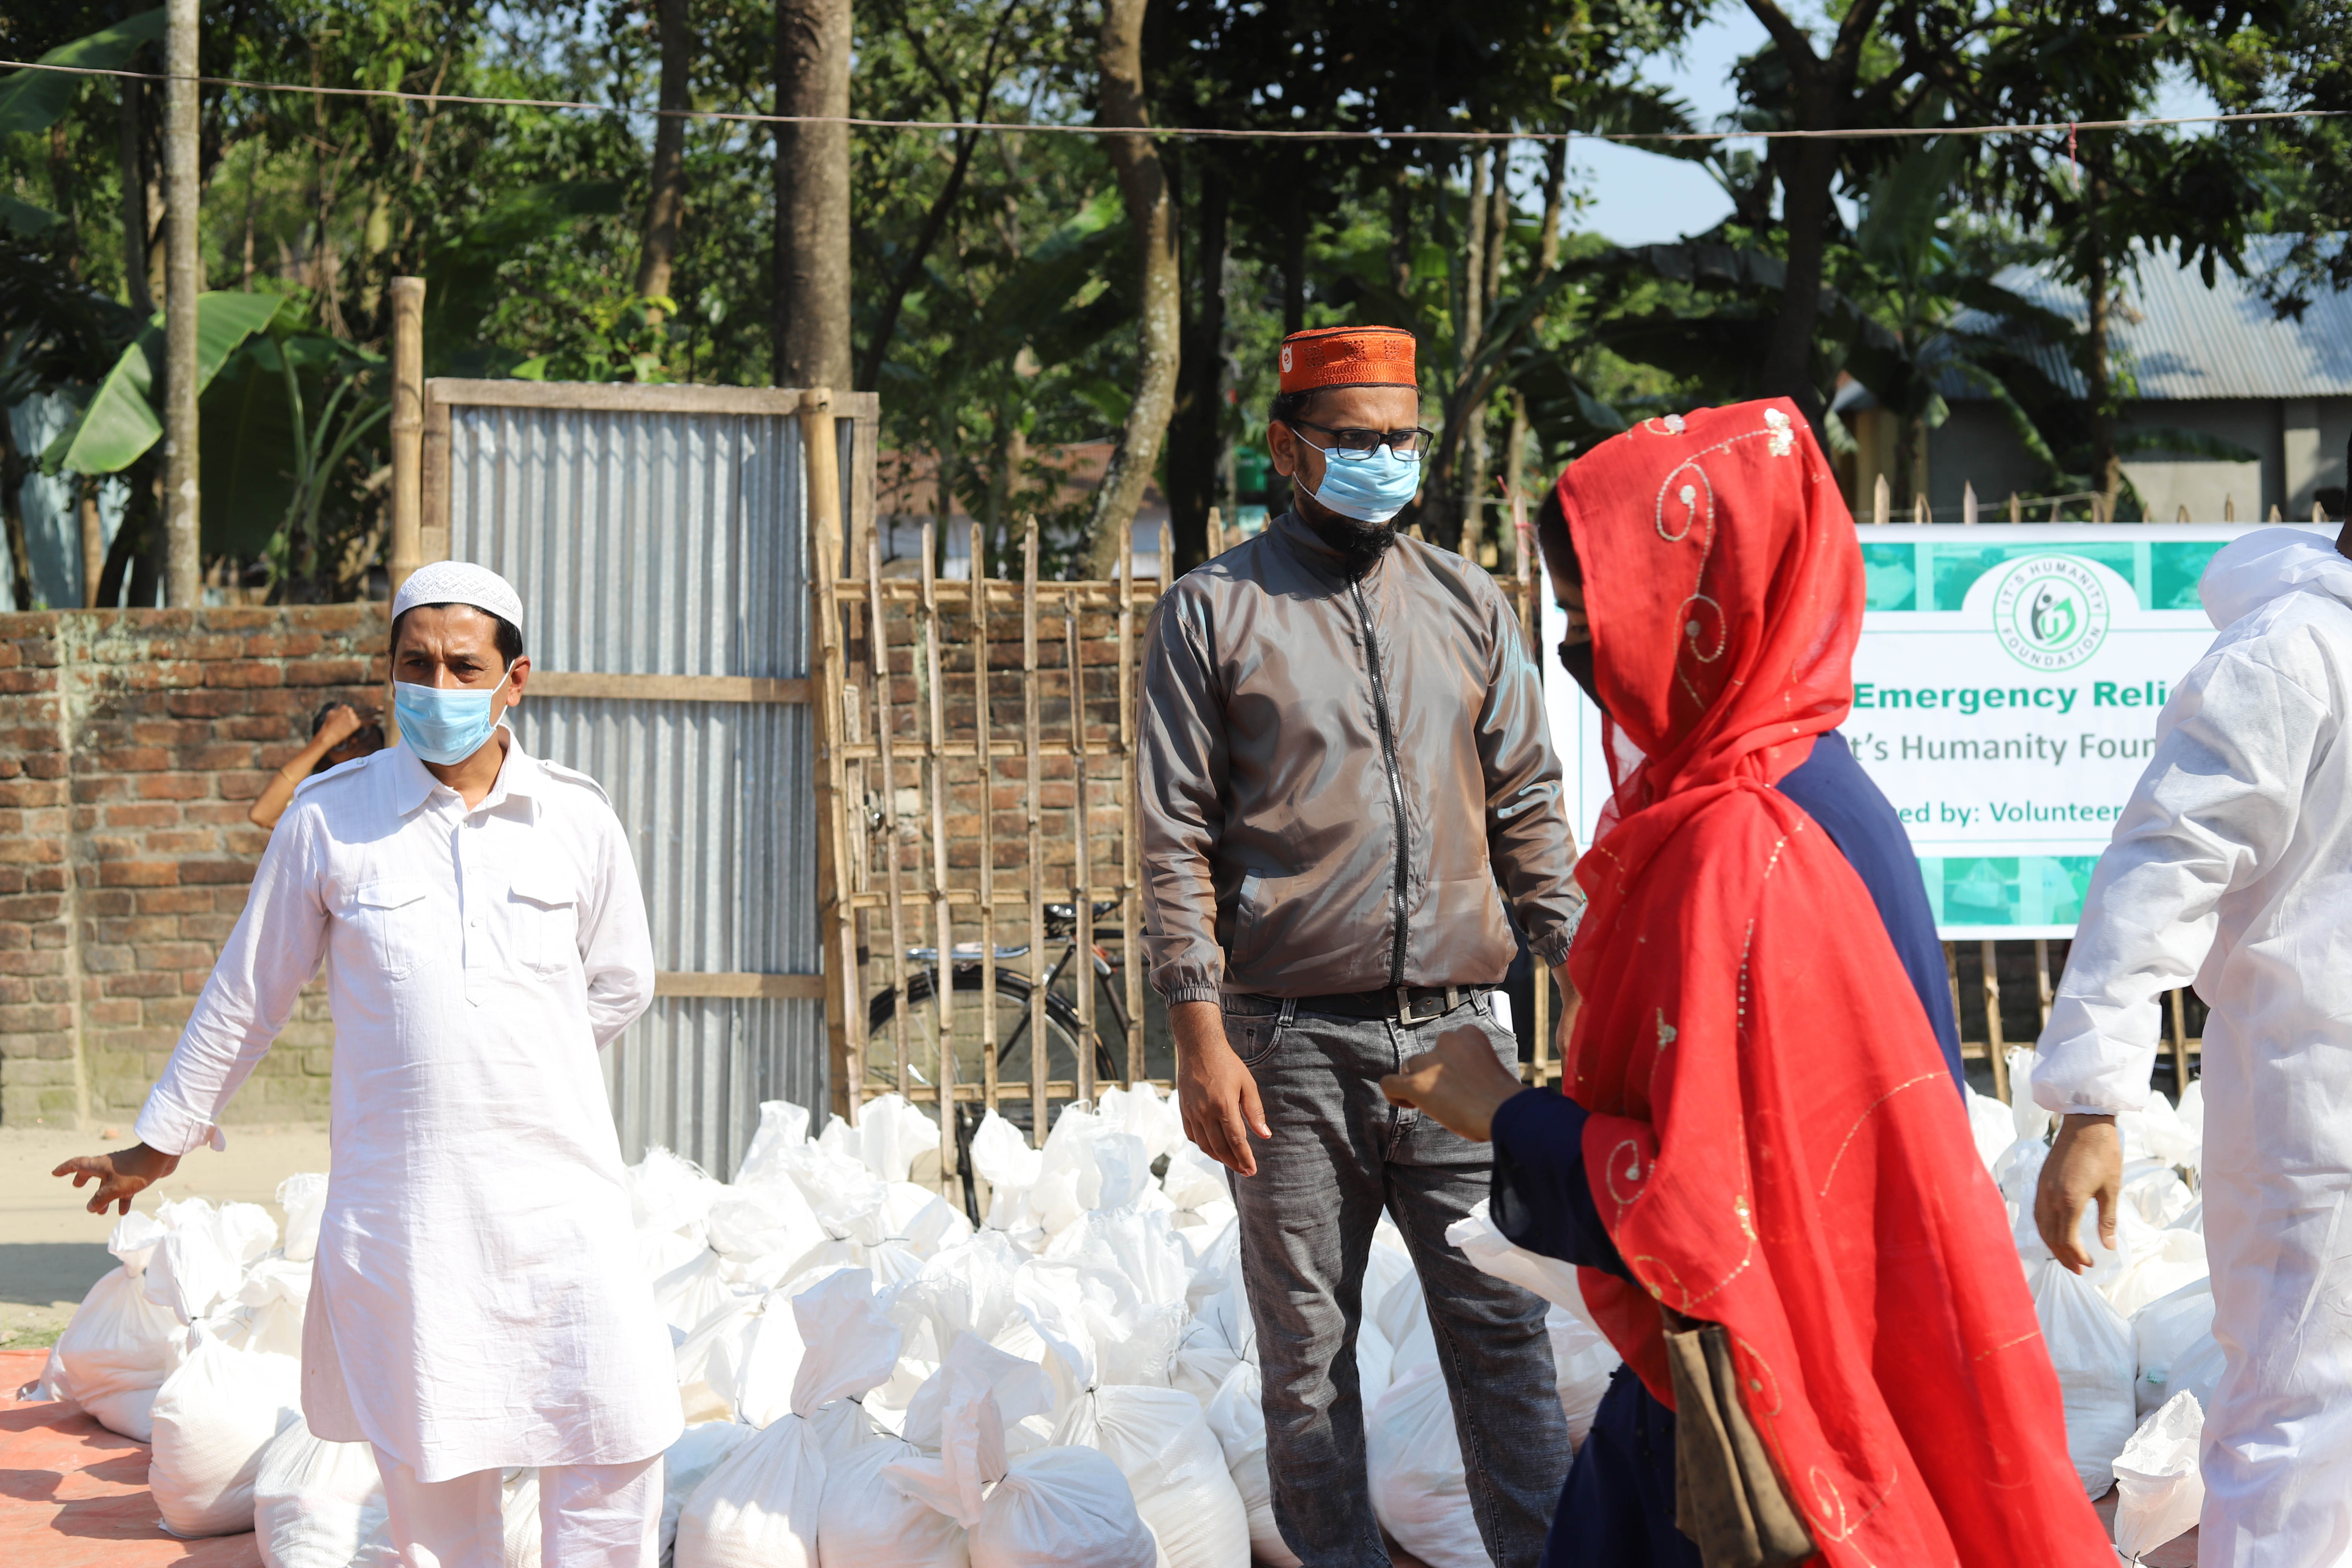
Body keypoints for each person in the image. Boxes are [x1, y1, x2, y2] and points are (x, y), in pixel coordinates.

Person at [1383, 401, 2110, 1566]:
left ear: (1707, 613)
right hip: (1814, 1341)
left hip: (1773, 1380)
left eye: (1602, 617)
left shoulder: (1744, 837)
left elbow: (1709, 1199)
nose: (1586, 652)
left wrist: (1500, 1112)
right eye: (1573, 618)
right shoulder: (1810, 779)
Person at [53, 560, 678, 1568]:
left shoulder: (576, 818)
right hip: (409, 1214)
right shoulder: (329, 820)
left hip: (562, 1200)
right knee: (435, 1468)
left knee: (610, 1439)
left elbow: (621, 983)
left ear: (515, 681)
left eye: (463, 666)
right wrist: (159, 1141)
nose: (437, 687)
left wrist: (508, 1062)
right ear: (389, 672)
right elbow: (247, 994)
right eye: (414, 664)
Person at [1139, 324, 1584, 1568]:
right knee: (1306, 1365)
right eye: (1354, 441)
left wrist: (1585, 973)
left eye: (1403, 440)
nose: (1384, 461)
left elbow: (1531, 809)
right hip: (1285, 1048)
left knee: (1504, 1336)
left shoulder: (1468, 601)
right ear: (1289, 450)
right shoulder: (1212, 612)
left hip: (1457, 1042)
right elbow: (1173, 832)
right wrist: (1198, 1033)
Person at [2034, 521, 2352, 1564]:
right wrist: (2092, 1101)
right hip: (2319, 1112)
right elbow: (2158, 870)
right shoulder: (2292, 650)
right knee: (2301, 1430)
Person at [248, 700, 385, 828]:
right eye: (340, 743)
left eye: (361, 731)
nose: (354, 742)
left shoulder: (400, 770)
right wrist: (326, 738)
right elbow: (263, 815)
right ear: (326, 763)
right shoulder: (324, 809)